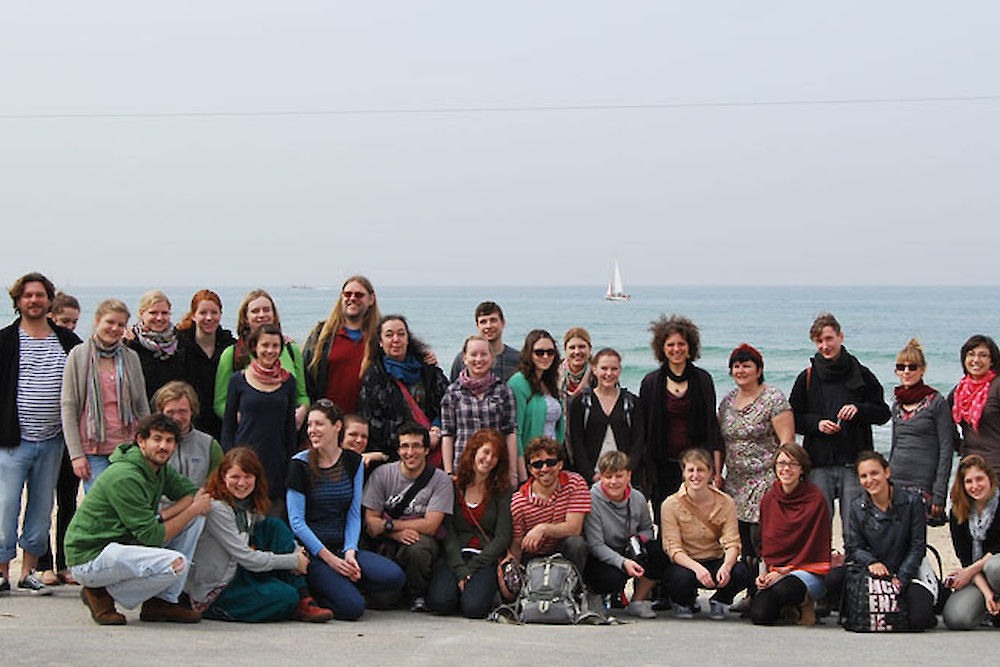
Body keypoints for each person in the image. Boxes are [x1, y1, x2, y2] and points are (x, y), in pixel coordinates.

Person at [63, 413, 212, 624]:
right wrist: (191, 509)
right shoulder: (126, 476)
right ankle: (100, 593)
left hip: (122, 546)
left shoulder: (159, 470)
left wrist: (169, 514)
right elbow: (153, 536)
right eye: (157, 439)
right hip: (91, 555)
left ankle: (161, 603)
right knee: (175, 564)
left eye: (169, 441)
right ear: (141, 441)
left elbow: (193, 493)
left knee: (196, 520)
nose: (163, 446)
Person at [287, 400, 405, 620]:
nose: (312, 430)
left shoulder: (353, 461)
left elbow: (353, 513)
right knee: (353, 609)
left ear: (337, 427)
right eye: (310, 424)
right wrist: (331, 559)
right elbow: (296, 522)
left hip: (343, 546)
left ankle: (342, 580)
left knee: (394, 576)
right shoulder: (299, 464)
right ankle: (318, 589)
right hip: (314, 553)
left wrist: (350, 552)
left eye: (319, 424)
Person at [1, 273, 81, 597]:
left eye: (40, 295)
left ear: (50, 300)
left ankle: (29, 572)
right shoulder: (5, 341)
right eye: (28, 295)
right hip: (12, 442)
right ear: (18, 301)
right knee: (5, 506)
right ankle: (2, 573)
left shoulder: (67, 341)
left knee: (40, 509)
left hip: (53, 442)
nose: (34, 300)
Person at [187, 446, 333, 622]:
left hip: (240, 574)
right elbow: (246, 557)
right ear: (222, 477)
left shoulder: (247, 505)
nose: (242, 483)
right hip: (218, 589)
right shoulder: (217, 508)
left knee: (274, 525)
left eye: (248, 477)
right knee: (286, 596)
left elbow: (276, 534)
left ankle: (304, 599)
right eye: (235, 477)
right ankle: (219, 610)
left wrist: (296, 551)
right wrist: (294, 561)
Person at [788, 313, 890, 539]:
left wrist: (859, 410)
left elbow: (883, 413)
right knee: (818, 526)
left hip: (854, 464)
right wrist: (817, 424)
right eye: (819, 341)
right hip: (818, 464)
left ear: (840, 337)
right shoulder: (806, 377)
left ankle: (855, 568)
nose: (825, 346)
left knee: (854, 527)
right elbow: (793, 417)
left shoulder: (861, 373)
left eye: (829, 339)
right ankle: (821, 569)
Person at [824, 451, 937, 631]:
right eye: (864, 476)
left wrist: (901, 577)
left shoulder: (912, 501)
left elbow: (917, 547)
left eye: (874, 473)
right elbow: (853, 547)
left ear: (887, 472)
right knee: (832, 578)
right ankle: (847, 607)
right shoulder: (856, 506)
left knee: (919, 621)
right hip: (871, 570)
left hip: (907, 570)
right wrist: (872, 562)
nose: (870, 480)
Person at [717, 343, 793, 600]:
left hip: (766, 479)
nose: (741, 370)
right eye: (736, 366)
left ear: (759, 369)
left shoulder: (774, 398)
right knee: (741, 541)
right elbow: (720, 441)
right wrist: (717, 473)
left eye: (746, 365)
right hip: (735, 480)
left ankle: (766, 592)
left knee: (762, 537)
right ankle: (750, 594)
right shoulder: (727, 401)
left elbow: (787, 441)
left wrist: (784, 477)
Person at [638, 315, 722, 522]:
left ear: (690, 346)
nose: (676, 349)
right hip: (661, 465)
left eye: (681, 344)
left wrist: (716, 472)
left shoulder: (703, 380)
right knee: (665, 521)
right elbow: (643, 431)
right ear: (662, 348)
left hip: (696, 467)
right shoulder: (650, 382)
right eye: (670, 344)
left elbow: (712, 427)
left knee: (698, 522)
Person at [61, 298, 149, 494]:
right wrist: (76, 455)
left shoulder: (130, 357)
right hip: (93, 451)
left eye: (121, 325)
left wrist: (147, 445)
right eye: (110, 322)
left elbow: (142, 405)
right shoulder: (78, 356)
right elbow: (68, 407)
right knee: (101, 508)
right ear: (97, 320)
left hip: (128, 448)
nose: (115, 328)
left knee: (128, 503)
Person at [363, 422, 453, 611]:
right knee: (382, 603)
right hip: (387, 542)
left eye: (416, 446)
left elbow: (430, 525)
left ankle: (417, 594)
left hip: (421, 542)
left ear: (427, 450)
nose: (410, 452)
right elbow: (371, 523)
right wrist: (393, 532)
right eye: (405, 446)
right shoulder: (382, 474)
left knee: (417, 547)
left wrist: (387, 524)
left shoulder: (441, 480)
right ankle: (394, 591)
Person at [427, 429, 513, 618]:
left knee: (474, 609)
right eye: (485, 452)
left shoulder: (503, 490)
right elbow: (447, 530)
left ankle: (477, 593)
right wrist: (460, 569)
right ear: (474, 452)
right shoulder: (453, 485)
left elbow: (503, 536)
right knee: (439, 602)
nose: (489, 459)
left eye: (495, 456)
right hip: (455, 554)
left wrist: (472, 568)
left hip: (485, 557)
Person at [660, 448, 749, 620]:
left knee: (741, 572)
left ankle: (721, 601)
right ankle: (684, 602)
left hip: (714, 558)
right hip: (687, 563)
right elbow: (673, 549)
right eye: (690, 470)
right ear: (683, 473)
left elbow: (733, 542)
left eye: (701, 470)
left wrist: (727, 566)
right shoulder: (670, 504)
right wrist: (697, 569)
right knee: (678, 578)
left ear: (710, 473)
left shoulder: (726, 502)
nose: (695, 475)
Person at [220, 323, 297, 516]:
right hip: (244, 458)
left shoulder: (288, 382)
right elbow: (228, 425)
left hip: (276, 461)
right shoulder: (238, 380)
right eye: (265, 345)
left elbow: (290, 427)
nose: (270, 350)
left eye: (275, 346)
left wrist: (291, 463)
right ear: (255, 347)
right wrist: (229, 460)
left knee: (272, 518)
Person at [750, 443, 831, 626]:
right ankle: (787, 608)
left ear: (802, 468)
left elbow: (816, 548)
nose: (786, 469)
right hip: (776, 571)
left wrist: (784, 572)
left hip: (808, 571)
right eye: (781, 463)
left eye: (792, 464)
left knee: (784, 589)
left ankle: (805, 603)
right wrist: (763, 575)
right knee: (760, 615)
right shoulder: (770, 499)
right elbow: (764, 544)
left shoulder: (815, 499)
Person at [358, 315, 449, 465]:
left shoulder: (427, 367)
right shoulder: (374, 376)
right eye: (389, 335)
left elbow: (447, 403)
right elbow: (372, 422)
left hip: (434, 452)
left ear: (408, 338)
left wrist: (437, 429)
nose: (396, 339)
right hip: (397, 456)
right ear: (380, 342)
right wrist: (414, 440)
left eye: (401, 334)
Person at [37, 290, 83, 586]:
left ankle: (65, 563)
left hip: (71, 438)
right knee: (41, 503)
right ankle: (42, 564)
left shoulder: (76, 347)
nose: (70, 327)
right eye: (65, 320)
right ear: (51, 316)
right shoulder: (44, 343)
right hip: (41, 435)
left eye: (75, 322)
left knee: (68, 502)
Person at [213, 289, 309, 428]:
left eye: (266, 310)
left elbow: (302, 395)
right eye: (255, 311)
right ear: (245, 317)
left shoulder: (291, 350)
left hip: (284, 433)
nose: (262, 315)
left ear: (274, 315)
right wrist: (241, 419)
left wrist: (302, 411)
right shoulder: (231, 354)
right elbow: (220, 403)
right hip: (247, 435)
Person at [584, 450, 661, 619]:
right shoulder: (591, 500)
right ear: (600, 477)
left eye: (619, 476)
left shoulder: (638, 498)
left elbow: (648, 530)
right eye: (608, 476)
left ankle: (638, 601)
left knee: (658, 550)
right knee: (612, 578)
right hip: (602, 554)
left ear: (628, 476)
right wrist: (623, 562)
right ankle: (596, 596)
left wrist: (638, 541)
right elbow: (595, 545)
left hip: (629, 549)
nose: (613, 482)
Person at [889, 338, 956, 524]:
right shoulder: (896, 403)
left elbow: (946, 449)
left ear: (923, 369)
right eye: (901, 367)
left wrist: (939, 493)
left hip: (922, 482)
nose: (906, 371)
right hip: (895, 480)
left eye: (912, 367)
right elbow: (895, 444)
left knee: (916, 538)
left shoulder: (936, 402)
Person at [508, 436, 591, 574]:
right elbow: (517, 544)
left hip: (564, 551)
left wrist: (543, 529)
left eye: (550, 462)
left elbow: (574, 528)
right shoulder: (518, 502)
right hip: (533, 557)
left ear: (560, 464)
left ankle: (575, 588)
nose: (544, 469)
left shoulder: (575, 483)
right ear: (530, 469)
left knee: (576, 543)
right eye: (537, 465)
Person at [440, 334, 517, 481]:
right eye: (473, 355)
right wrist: (449, 472)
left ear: (491, 357)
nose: (478, 359)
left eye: (483, 354)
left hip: (495, 465)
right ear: (464, 358)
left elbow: (510, 432)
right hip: (462, 467)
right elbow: (448, 434)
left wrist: (512, 472)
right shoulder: (453, 392)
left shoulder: (503, 390)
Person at [302, 276, 382, 414]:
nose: (352, 298)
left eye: (359, 295)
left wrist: (426, 357)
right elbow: (304, 378)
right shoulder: (322, 335)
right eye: (347, 294)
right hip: (328, 423)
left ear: (371, 299)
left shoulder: (380, 338)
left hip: (364, 425)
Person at [942, 454, 1000, 630]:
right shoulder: (958, 512)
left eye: (979, 479)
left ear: (989, 478)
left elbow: (998, 548)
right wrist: (987, 593)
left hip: (995, 569)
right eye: (969, 481)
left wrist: (969, 571)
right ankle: (991, 606)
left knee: (994, 565)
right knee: (956, 618)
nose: (975, 486)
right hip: (981, 579)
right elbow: (966, 558)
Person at [567, 347, 642, 482]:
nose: (609, 373)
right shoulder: (582, 403)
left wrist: (627, 472)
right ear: (594, 370)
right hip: (592, 478)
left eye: (614, 369)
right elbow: (577, 443)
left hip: (624, 478)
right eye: (604, 368)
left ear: (620, 370)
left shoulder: (631, 402)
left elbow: (638, 441)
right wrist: (590, 475)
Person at [176, 289, 236, 440]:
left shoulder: (231, 346)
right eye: (203, 313)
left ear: (220, 314)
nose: (209, 318)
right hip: (190, 426)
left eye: (214, 313)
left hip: (223, 425)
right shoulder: (178, 346)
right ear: (193, 316)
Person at [508, 330, 565, 484]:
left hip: (551, 462)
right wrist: (522, 475)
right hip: (532, 464)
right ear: (529, 354)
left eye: (550, 352)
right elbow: (515, 431)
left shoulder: (549, 381)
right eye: (539, 352)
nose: (545, 357)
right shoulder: (518, 383)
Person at [153, 381, 223, 490]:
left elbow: (217, 488)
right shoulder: (150, 446)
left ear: (192, 411)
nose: (176, 418)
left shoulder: (210, 446)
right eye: (170, 412)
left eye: (182, 411)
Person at [950, 335, 1000, 474]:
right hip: (969, 467)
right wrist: (960, 446)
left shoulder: (997, 386)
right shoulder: (959, 390)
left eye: (983, 355)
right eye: (971, 354)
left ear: (991, 361)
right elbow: (946, 422)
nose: (976, 360)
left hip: (996, 468)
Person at [126, 290, 186, 402]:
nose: (159, 318)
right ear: (141, 313)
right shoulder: (130, 343)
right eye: (153, 313)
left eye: (164, 313)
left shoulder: (181, 341)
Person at [448, 301, 521, 383]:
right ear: (477, 326)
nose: (488, 326)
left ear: (503, 322)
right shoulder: (463, 359)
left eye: (493, 320)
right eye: (483, 322)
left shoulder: (518, 359)